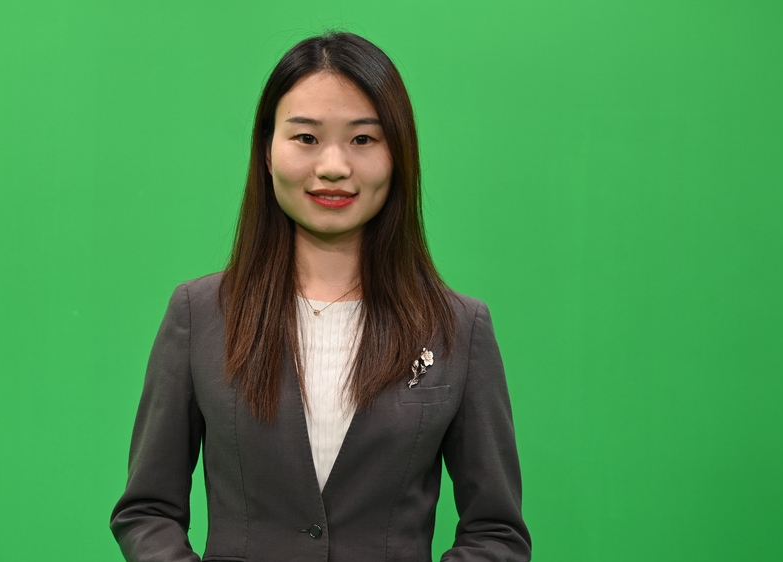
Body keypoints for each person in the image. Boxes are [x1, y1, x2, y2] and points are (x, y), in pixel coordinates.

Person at [110, 31, 531, 562]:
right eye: (306, 138)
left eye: (363, 139)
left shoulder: (458, 327)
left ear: (398, 156)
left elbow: (496, 533)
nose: (333, 166)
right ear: (267, 152)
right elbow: (147, 512)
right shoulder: (199, 314)